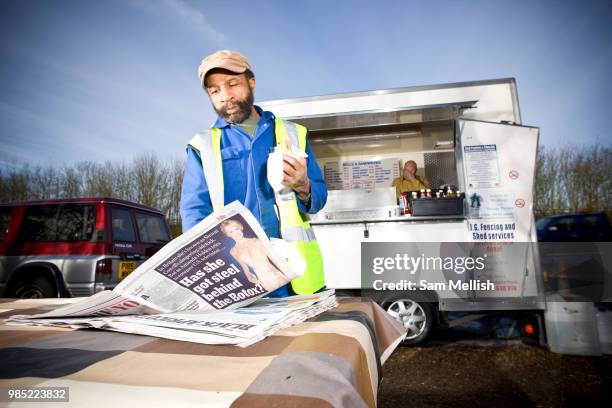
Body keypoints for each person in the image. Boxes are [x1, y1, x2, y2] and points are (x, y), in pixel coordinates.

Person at [180, 50, 327, 297]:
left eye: (232, 84)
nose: (225, 95)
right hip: (240, 280)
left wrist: (303, 185)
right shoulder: (202, 146)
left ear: (251, 82)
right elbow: (194, 214)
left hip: (297, 279)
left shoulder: (292, 134)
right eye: (214, 91)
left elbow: (319, 200)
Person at [220, 219, 288, 292]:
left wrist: (288, 272)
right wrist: (251, 278)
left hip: (277, 276)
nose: (236, 233)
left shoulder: (257, 241)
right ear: (228, 235)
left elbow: (275, 260)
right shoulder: (233, 251)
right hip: (264, 282)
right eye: (231, 231)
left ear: (240, 228)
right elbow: (245, 269)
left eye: (236, 229)